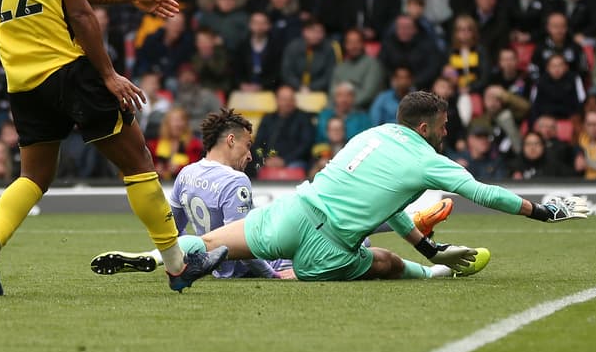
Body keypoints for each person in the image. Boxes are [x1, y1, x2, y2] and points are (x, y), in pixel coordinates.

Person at [0, 0, 224, 297]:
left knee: (33, 175)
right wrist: (108, 75)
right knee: (138, 160)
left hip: (22, 81)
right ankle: (178, 267)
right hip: (68, 71)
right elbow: (81, 13)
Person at [152, 92, 588, 282]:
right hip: (327, 249)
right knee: (385, 262)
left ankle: (154, 258)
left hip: (294, 211)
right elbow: (485, 193)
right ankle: (435, 274)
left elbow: (386, 202)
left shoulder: (371, 135)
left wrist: (429, 242)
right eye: (443, 125)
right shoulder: (428, 160)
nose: (447, 129)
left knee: (208, 241)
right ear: (424, 127)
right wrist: (544, 211)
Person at [92, 108, 458, 280]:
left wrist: (178, 255)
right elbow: (248, 246)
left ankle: (151, 258)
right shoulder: (236, 183)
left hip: (199, 256)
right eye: (248, 146)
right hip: (237, 270)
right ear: (231, 140)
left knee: (200, 240)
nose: (251, 156)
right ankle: (422, 248)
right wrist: (271, 276)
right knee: (349, 248)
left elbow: (178, 226)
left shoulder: (186, 173)